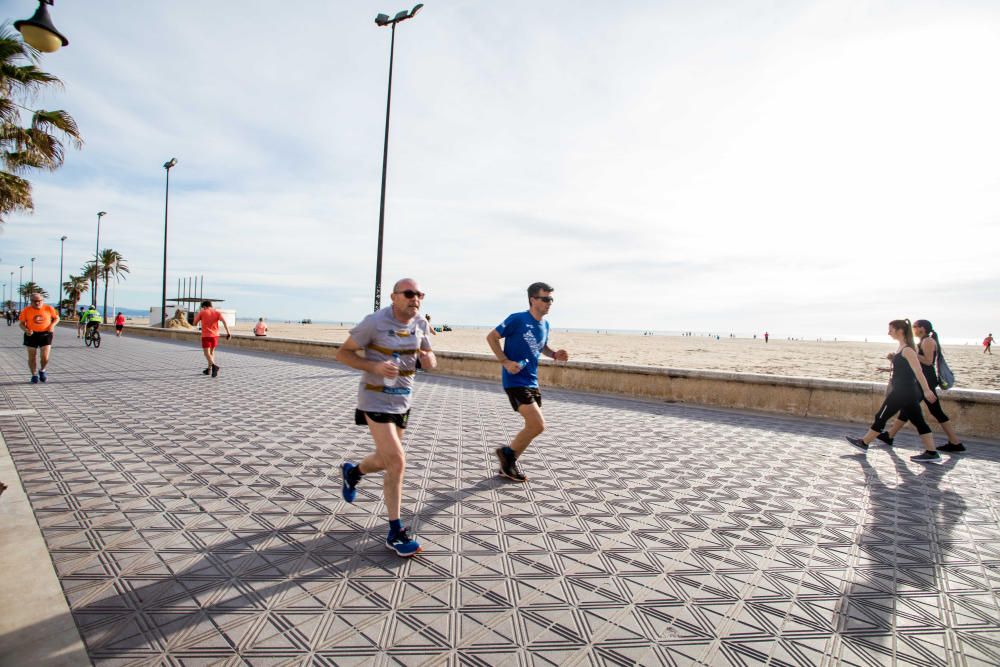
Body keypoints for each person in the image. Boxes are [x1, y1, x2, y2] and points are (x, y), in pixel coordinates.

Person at [336, 279, 436, 557]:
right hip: (374, 399)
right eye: (409, 293)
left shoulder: (420, 323)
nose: (415, 298)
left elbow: (428, 354)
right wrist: (375, 366)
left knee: (384, 459)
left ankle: (352, 472)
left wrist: (429, 360)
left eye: (419, 294)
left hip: (402, 402)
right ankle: (395, 532)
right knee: (397, 461)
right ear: (394, 297)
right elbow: (342, 353)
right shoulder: (374, 322)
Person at [486, 281, 569, 482]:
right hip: (515, 381)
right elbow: (491, 337)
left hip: (532, 381)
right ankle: (508, 455)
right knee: (537, 425)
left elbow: (541, 347)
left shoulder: (545, 324)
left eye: (551, 299)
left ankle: (508, 462)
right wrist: (505, 361)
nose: (550, 303)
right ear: (533, 299)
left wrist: (555, 354)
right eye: (545, 299)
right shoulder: (517, 319)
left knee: (533, 426)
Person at [845, 319, 942, 464]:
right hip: (906, 391)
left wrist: (927, 390)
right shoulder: (902, 347)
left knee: (881, 416)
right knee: (919, 421)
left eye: (891, 330)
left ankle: (864, 443)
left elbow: (918, 371)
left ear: (900, 331)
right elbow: (903, 369)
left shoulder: (908, 349)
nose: (888, 332)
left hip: (902, 392)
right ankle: (932, 452)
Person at [878, 319, 965, 453]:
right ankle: (890, 435)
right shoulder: (923, 341)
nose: (913, 329)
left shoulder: (928, 341)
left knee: (917, 409)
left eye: (915, 327)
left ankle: (953, 443)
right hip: (923, 380)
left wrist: (909, 354)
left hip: (927, 380)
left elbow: (928, 362)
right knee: (920, 410)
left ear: (922, 328)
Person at [18, 292, 59, 383]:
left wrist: (52, 326)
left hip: (46, 334)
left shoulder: (49, 308)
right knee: (32, 357)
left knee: (45, 357)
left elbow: (56, 318)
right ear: (31, 301)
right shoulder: (26, 310)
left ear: (42, 301)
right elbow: (21, 324)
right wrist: (26, 330)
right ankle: (34, 375)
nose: (37, 303)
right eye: (35, 301)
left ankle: (42, 370)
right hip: (31, 335)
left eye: (39, 301)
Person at [193, 300, 231, 377]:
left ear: (204, 306)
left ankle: (214, 366)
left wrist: (200, 318)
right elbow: (224, 322)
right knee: (212, 353)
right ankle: (209, 370)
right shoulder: (217, 312)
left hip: (206, 335)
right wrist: (228, 332)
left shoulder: (202, 312)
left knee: (206, 353)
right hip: (215, 335)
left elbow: (194, 323)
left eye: (202, 307)